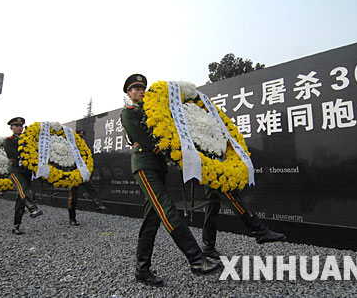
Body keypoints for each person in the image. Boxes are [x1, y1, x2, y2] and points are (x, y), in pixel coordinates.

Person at [121, 73, 221, 287]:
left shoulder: (157, 111)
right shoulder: (129, 113)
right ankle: (196, 259)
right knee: (167, 209)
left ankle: (142, 269)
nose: (140, 92)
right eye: (135, 89)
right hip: (144, 165)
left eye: (142, 89)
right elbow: (145, 138)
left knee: (152, 219)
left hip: (158, 167)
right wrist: (168, 149)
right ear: (129, 94)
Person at [201, 188, 286, 259]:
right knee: (232, 196)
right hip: (215, 172)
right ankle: (260, 231)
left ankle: (208, 246)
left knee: (212, 205)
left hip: (209, 171)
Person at [4, 117, 43, 235]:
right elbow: (12, 155)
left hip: (27, 171)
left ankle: (16, 226)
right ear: (11, 128)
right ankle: (32, 208)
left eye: (20, 126)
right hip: (15, 170)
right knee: (23, 189)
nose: (19, 128)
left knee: (21, 199)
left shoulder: (28, 139)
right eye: (16, 126)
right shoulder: (9, 140)